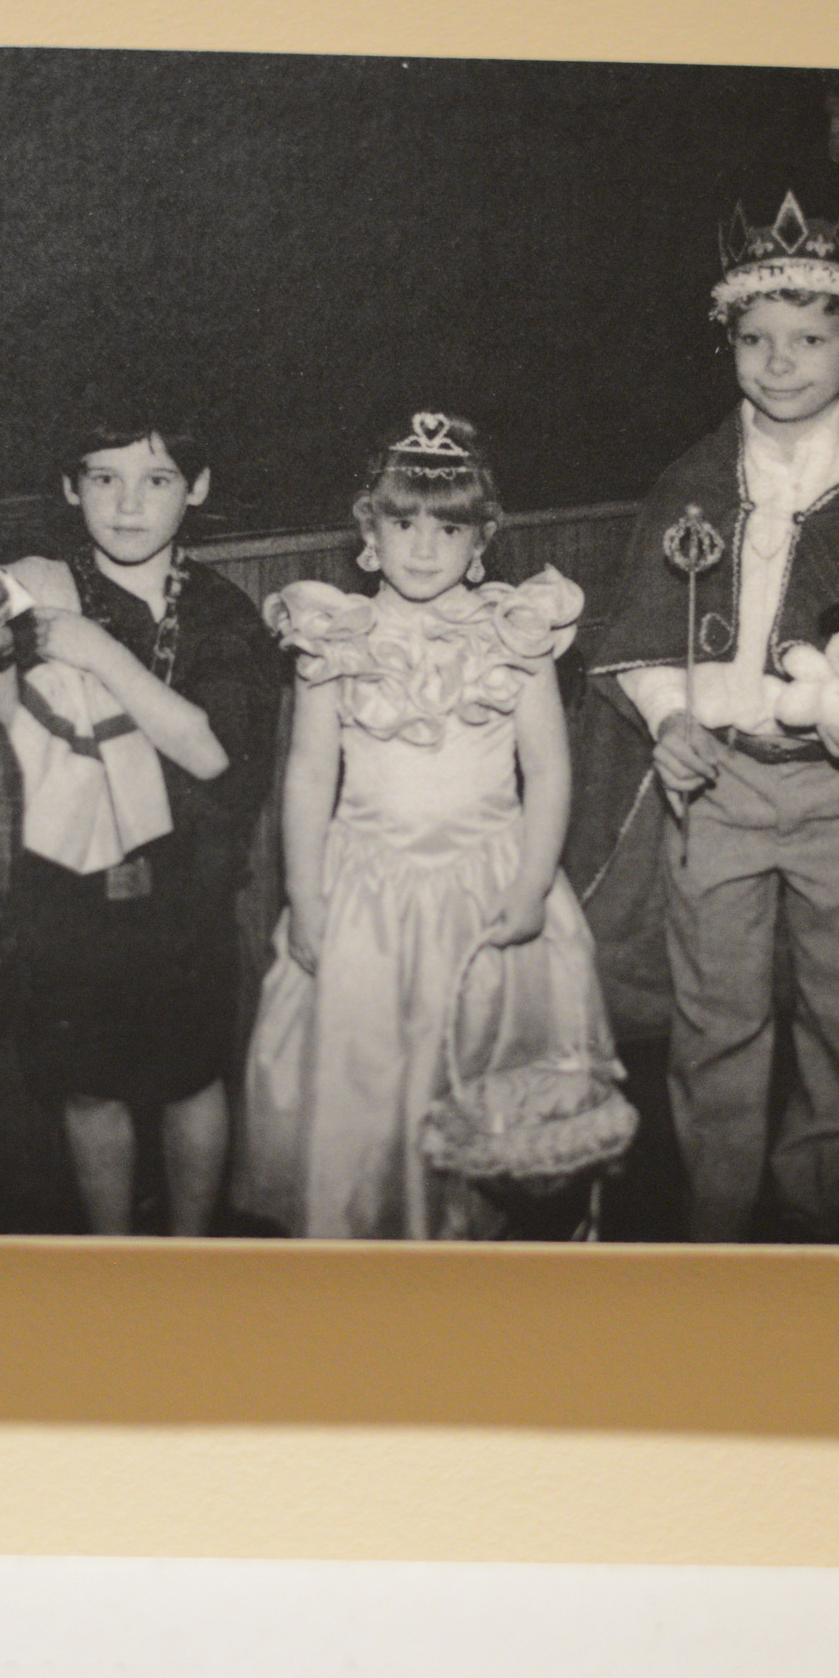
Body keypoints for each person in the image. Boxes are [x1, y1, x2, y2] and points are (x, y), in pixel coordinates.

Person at [565, 194, 839, 1242]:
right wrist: (669, 715)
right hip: (716, 784)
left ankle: (822, 1206)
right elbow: (639, 635)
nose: (778, 363)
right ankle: (715, 1216)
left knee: (837, 1011)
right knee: (715, 1013)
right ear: (726, 345)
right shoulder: (691, 478)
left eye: (809, 339)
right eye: (754, 340)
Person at [237, 414, 633, 1240]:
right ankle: (377, 1248)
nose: (424, 547)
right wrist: (305, 899)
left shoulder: (513, 631)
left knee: (488, 1080)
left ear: (481, 538)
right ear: (368, 535)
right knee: (372, 1077)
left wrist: (530, 884)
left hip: (487, 885)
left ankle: (488, 1245)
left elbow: (548, 769)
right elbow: (309, 774)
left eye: (448, 527)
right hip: (367, 894)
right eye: (402, 524)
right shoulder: (335, 634)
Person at [0, 416, 273, 1235]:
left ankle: (190, 1262)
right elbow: (9, 744)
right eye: (103, 479)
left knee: (193, 1081)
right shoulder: (36, 590)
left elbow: (215, 753)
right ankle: (111, 1262)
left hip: (187, 886)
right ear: (68, 487)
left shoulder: (227, 615)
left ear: (196, 490)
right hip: (67, 891)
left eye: (156, 481)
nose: (127, 505)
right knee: (88, 1088)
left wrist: (94, 650)